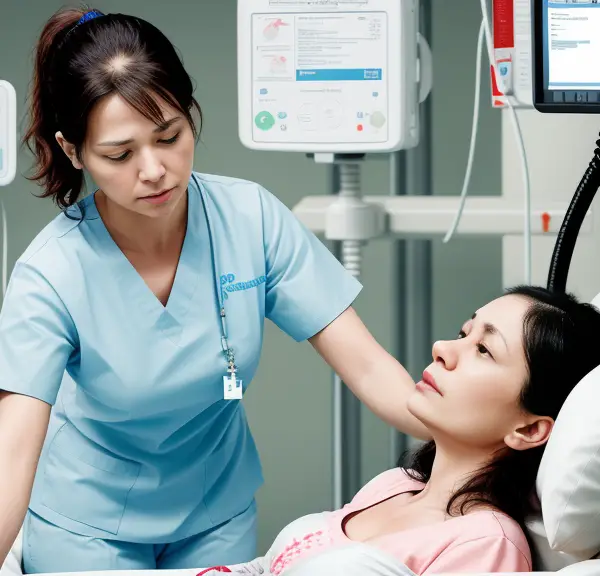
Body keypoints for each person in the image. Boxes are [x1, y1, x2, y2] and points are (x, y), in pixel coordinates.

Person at [0, 6, 429, 573]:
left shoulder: (249, 217)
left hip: (216, 515)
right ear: (74, 151)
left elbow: (373, 370)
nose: (154, 169)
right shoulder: (51, 274)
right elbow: (13, 450)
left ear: (189, 115)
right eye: (119, 154)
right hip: (88, 528)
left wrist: (481, 425)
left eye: (169, 136)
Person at [195, 286, 600, 575]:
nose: (443, 347)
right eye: (464, 333)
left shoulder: (486, 544)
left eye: (483, 350)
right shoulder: (393, 485)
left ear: (529, 429)